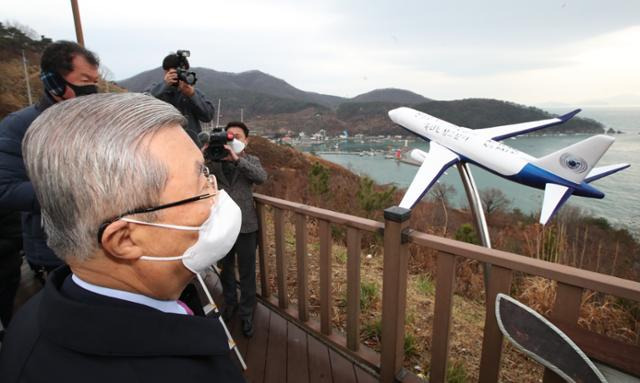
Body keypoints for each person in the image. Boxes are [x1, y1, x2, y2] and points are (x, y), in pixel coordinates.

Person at [0, 93, 246, 383]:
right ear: (124, 240)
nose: (215, 195)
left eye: (207, 172)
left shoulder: (32, 317)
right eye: (201, 185)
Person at [0, 40, 100, 276]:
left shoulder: (97, 123)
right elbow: (4, 190)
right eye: (85, 81)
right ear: (54, 82)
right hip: (55, 254)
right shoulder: (20, 126)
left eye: (95, 82)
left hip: (102, 245)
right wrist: (77, 191)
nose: (92, 90)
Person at [206, 121, 267, 338]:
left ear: (246, 140)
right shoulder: (212, 159)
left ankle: (247, 312)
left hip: (246, 226)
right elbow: (194, 174)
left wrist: (237, 160)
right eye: (230, 136)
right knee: (226, 269)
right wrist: (203, 152)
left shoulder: (250, 160)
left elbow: (261, 177)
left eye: (238, 137)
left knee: (248, 272)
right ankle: (230, 304)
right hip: (221, 226)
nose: (234, 140)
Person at [147, 52, 215, 146]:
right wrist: (164, 85)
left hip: (191, 145)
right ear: (166, 72)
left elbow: (208, 115)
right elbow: (142, 103)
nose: (181, 75)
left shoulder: (192, 92)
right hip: (163, 145)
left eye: (184, 72)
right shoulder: (157, 90)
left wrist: (192, 95)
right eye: (177, 72)